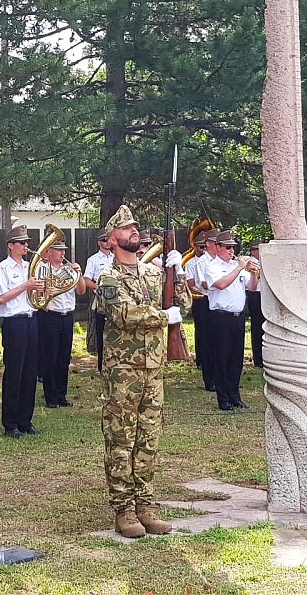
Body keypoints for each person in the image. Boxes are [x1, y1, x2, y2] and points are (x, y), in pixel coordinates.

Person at [97, 205, 184, 538]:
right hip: (123, 373)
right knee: (121, 439)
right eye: (125, 228)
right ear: (111, 240)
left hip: (153, 370)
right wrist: (163, 316)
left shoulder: (153, 273)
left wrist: (178, 274)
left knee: (148, 438)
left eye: (135, 226)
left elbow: (182, 305)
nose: (134, 230)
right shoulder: (109, 277)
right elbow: (123, 314)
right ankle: (124, 509)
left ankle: (145, 505)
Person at [0, 226, 44, 437]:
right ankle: (10, 423)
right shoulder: (2, 268)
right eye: (22, 243)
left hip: (32, 320)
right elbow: (1, 298)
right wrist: (25, 286)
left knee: (31, 372)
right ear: (10, 246)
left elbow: (36, 293)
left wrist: (44, 290)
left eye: (27, 242)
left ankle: (25, 420)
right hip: (14, 323)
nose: (26, 246)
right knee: (14, 372)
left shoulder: (30, 267)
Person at [204, 228, 253, 411]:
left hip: (238, 317)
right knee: (222, 357)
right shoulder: (212, 266)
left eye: (233, 247)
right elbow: (221, 284)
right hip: (220, 317)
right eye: (227, 247)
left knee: (236, 358)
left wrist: (254, 273)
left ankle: (234, 395)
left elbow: (252, 287)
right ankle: (223, 398)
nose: (231, 251)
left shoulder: (235, 265)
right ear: (218, 247)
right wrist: (239, 268)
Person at [36, 238, 79, 409]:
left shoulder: (68, 270)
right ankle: (51, 396)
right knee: (50, 357)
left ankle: (62, 394)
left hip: (67, 316)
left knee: (64, 357)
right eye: (59, 250)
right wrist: (48, 290)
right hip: (50, 315)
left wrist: (79, 274)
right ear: (49, 252)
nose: (63, 253)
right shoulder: (42, 269)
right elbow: (37, 293)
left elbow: (81, 290)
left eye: (64, 250)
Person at [187, 228, 217, 391]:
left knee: (216, 340)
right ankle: (207, 371)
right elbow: (200, 284)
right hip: (203, 300)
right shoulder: (197, 263)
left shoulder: (220, 261)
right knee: (205, 336)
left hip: (216, 301)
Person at [82, 231, 114, 369]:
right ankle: (101, 365)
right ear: (99, 242)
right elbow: (86, 279)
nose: (107, 242)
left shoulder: (116, 257)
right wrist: (99, 288)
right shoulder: (93, 260)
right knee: (101, 332)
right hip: (101, 300)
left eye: (108, 240)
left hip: (116, 299)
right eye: (104, 240)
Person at [243, 241, 265, 368]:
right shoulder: (249, 262)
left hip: (264, 295)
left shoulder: (264, 262)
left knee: (264, 325)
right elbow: (252, 280)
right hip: (255, 295)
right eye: (259, 249)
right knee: (257, 325)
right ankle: (258, 358)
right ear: (253, 251)